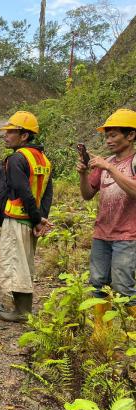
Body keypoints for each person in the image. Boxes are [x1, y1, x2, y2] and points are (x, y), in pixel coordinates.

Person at [0, 111, 53, 322]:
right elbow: (47, 193)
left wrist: (37, 220)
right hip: (31, 220)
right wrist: (40, 219)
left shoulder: (17, 159)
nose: (6, 135)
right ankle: (23, 308)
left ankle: (22, 312)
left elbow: (23, 192)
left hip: (18, 219)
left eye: (11, 131)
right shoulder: (44, 159)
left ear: (24, 136)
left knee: (15, 262)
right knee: (25, 262)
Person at [77, 108, 136, 301]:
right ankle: (101, 332)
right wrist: (83, 174)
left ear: (131, 135)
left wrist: (110, 168)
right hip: (102, 234)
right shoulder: (106, 162)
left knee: (124, 288)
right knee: (97, 286)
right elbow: (87, 195)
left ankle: (130, 331)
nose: (108, 140)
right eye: (106, 137)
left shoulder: (132, 161)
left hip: (128, 236)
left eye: (113, 135)